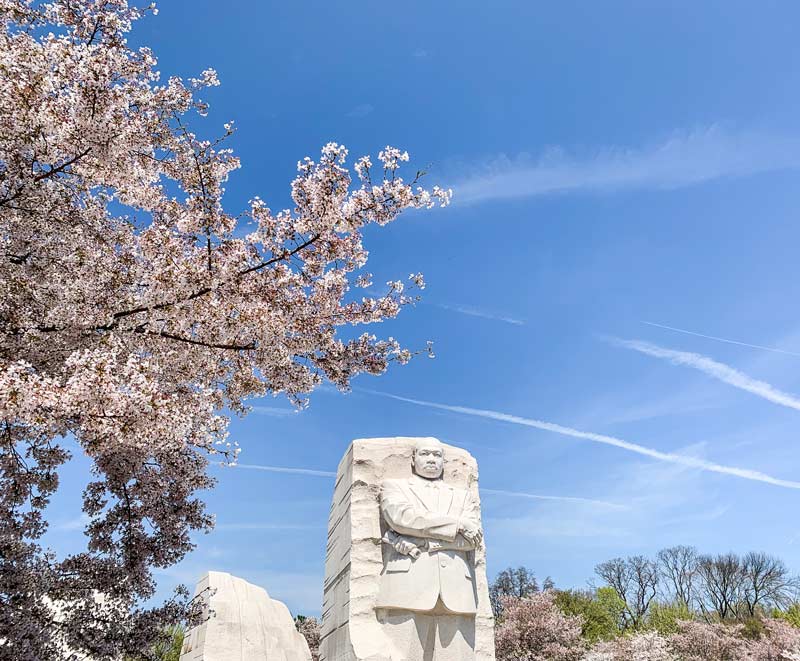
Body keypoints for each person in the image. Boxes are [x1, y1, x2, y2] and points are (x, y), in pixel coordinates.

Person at [375, 437, 482, 661]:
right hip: (407, 584)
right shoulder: (395, 487)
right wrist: (457, 525)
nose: (431, 459)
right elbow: (402, 518)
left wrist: (427, 542)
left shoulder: (463, 496)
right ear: (413, 460)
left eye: (437, 455)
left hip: (457, 588)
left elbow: (472, 540)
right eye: (425, 454)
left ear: (444, 461)